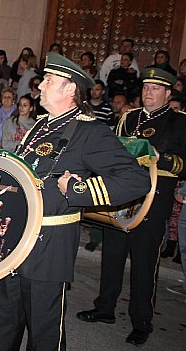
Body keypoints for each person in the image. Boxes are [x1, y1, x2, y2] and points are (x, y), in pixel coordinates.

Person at [0, 52, 150, 351]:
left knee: (44, 332)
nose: (41, 85)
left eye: (49, 80)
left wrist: (78, 191)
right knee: (2, 319)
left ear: (70, 88)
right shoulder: (40, 125)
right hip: (12, 236)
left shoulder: (90, 131)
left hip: (49, 244)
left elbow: (135, 180)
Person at [76, 67, 186, 346]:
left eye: (155, 88)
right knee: (112, 253)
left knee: (144, 260)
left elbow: (184, 164)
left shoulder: (179, 122)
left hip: (155, 198)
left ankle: (141, 321)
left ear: (168, 93)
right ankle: (105, 308)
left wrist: (159, 159)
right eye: (146, 87)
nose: (148, 92)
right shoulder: (129, 118)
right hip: (123, 195)